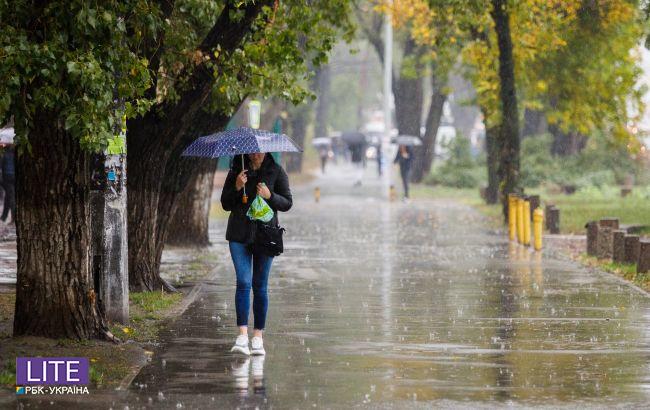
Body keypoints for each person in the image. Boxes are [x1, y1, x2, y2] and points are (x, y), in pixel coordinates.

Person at [221, 152, 292, 356]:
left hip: (265, 236)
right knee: (243, 282)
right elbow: (226, 203)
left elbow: (287, 203)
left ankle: (258, 337)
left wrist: (270, 196)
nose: (256, 154)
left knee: (260, 285)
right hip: (239, 235)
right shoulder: (237, 170)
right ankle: (242, 336)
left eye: (260, 150)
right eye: (252, 150)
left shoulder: (276, 171)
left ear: (266, 151)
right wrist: (236, 186)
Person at [0, 144, 15, 223]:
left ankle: (13, 217)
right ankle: (4, 217)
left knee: (10, 197)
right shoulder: (15, 153)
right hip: (14, 177)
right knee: (9, 196)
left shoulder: (4, 154)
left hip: (7, 178)